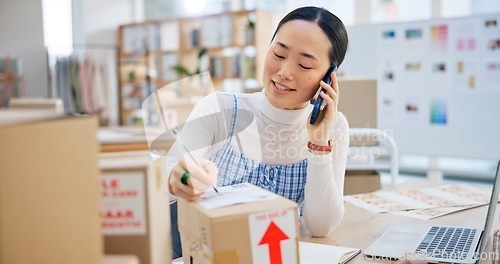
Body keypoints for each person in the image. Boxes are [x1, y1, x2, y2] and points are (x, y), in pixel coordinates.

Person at [166, 6, 349, 252]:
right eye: (279, 54)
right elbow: (169, 180)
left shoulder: (334, 127)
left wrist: (318, 142)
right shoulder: (220, 108)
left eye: (304, 65)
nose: (284, 72)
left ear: (328, 78)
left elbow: (320, 227)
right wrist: (179, 177)